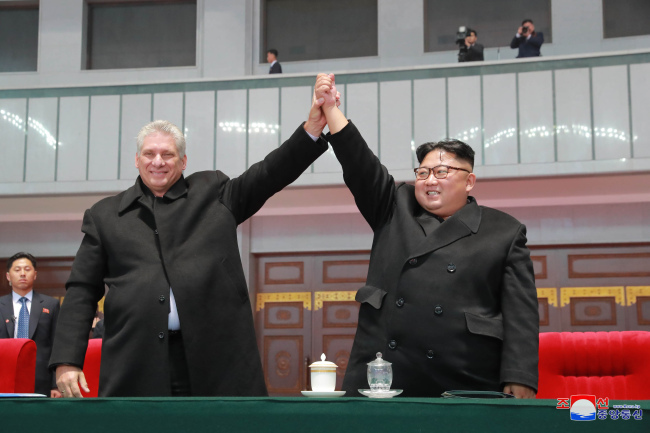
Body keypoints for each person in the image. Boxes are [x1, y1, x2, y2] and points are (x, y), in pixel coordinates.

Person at [50, 76, 339, 398]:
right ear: (137, 160)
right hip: (135, 363)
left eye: (168, 154)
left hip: (215, 362)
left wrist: (312, 129)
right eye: (149, 154)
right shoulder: (104, 215)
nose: (157, 161)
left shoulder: (213, 192)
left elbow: (268, 174)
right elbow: (81, 291)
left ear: (183, 161)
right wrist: (66, 360)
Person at [315, 74, 539, 398]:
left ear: (469, 181)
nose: (429, 179)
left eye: (442, 172)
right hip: (384, 379)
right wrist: (332, 110)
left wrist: (520, 376)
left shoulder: (504, 231)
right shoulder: (393, 206)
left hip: (465, 379)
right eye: (423, 172)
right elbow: (360, 164)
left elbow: (521, 313)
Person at [1, 252, 61, 397]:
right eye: (17, 270)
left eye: (27, 270)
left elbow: (57, 345)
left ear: (35, 274)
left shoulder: (50, 304)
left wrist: (55, 384)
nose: (22, 274)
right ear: (8, 276)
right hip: (5, 376)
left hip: (41, 379)